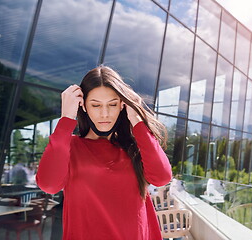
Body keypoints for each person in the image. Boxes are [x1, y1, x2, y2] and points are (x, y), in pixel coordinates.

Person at [36, 66, 172, 240]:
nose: (105, 113)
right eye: (96, 105)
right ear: (83, 106)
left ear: (122, 105)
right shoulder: (69, 146)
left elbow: (162, 177)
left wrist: (137, 118)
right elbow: (49, 184)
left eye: (112, 104)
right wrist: (66, 118)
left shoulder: (135, 147)